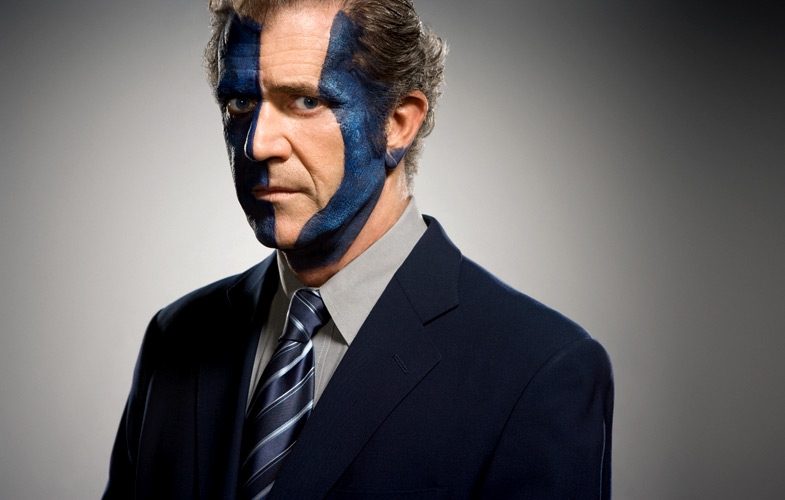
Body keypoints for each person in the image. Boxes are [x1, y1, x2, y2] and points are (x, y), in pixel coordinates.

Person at [103, 0, 614, 498]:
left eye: (306, 101)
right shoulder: (175, 338)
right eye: (240, 103)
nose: (258, 144)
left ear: (398, 123)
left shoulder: (540, 369)